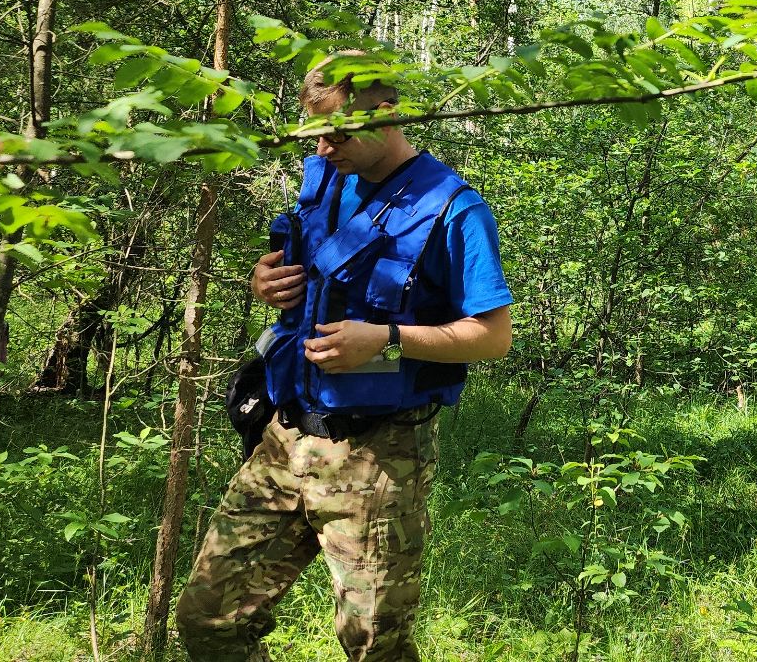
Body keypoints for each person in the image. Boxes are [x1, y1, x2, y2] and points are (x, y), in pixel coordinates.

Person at [175, 56, 513, 662]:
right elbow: (301, 276)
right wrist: (265, 282)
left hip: (379, 458)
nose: (324, 146)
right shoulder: (325, 182)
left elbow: (492, 336)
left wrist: (385, 337)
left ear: (387, 114)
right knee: (208, 616)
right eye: (314, 133)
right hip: (283, 439)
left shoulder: (453, 209)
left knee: (374, 646)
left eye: (335, 130)